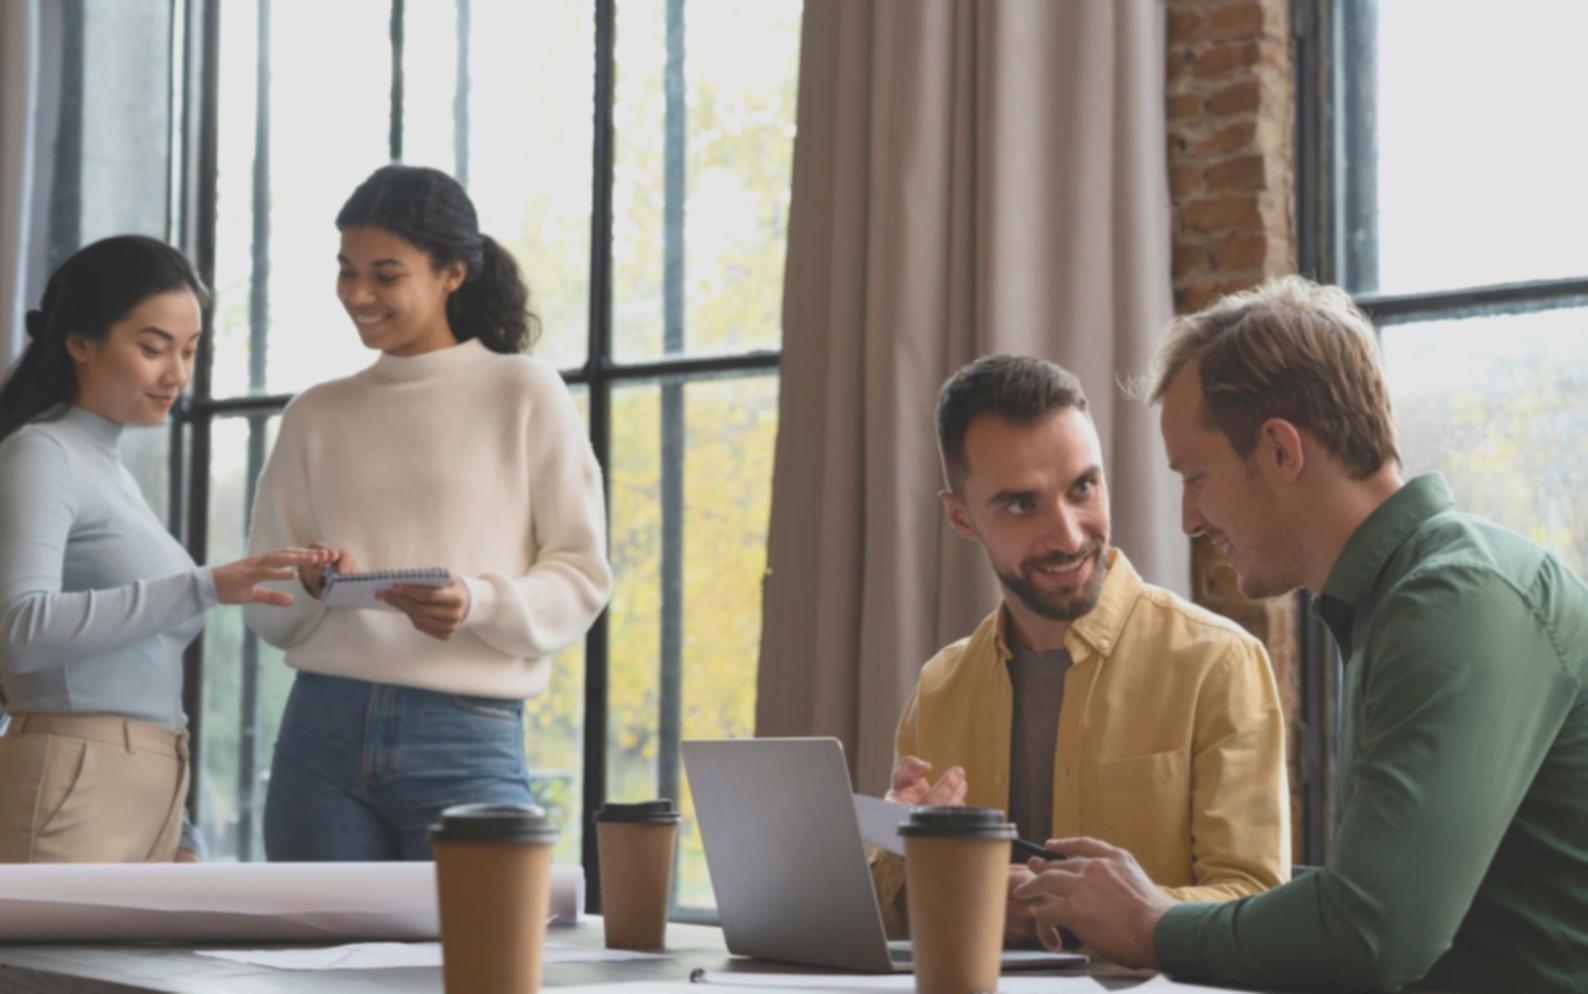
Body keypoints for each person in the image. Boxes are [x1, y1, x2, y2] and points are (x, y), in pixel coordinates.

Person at [1014, 277, 1588, 993]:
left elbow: (1371, 933)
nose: (1188, 518)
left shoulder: (1453, 601)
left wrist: (1150, 926)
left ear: (1281, 451)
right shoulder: (1407, 602)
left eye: (1195, 476)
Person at [246, 164, 613, 861]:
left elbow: (581, 576)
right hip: (319, 738)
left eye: (386, 274)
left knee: (482, 967)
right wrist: (314, 585)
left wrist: (476, 602)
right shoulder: (315, 415)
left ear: (451, 273)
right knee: (320, 974)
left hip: (466, 737)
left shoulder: (523, 392)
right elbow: (267, 598)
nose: (358, 293)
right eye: (346, 270)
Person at [874, 355, 1290, 945]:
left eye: (1083, 488)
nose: (1069, 535)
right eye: (1021, 504)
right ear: (961, 516)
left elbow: (1254, 905)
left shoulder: (1219, 664)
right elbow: (893, 929)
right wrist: (901, 846)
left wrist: (1077, 910)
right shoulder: (939, 688)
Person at [0, 235, 331, 863]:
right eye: (153, 348)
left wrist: (177, 826)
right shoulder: (41, 452)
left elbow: (139, 668)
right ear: (79, 342)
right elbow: (19, 630)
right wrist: (203, 585)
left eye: (189, 350)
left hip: (142, 789)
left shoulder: (109, 468)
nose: (176, 374)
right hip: (73, 783)